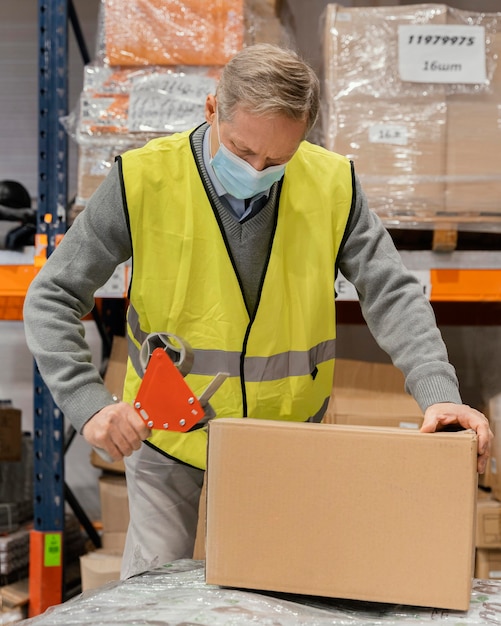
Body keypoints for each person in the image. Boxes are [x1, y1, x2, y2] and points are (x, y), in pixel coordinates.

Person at [23, 43, 492, 579]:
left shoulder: (332, 183)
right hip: (165, 435)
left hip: (282, 440)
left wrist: (440, 393)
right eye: (242, 150)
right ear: (211, 108)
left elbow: (393, 292)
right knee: (152, 594)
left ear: (304, 136)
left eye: (276, 161)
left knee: (273, 591)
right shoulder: (143, 180)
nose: (256, 170)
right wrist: (88, 402)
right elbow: (51, 296)